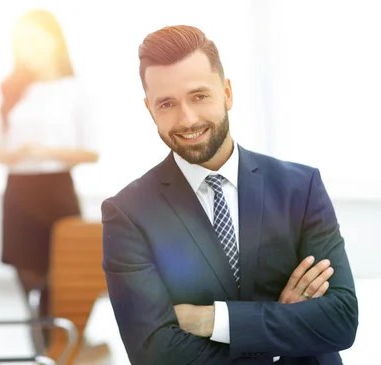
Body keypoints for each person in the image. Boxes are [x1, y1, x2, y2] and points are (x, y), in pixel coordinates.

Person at [101, 25, 358, 365]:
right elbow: (155, 353)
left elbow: (340, 320)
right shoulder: (128, 214)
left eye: (199, 96)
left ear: (227, 93)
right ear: (150, 110)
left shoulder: (300, 187)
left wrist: (213, 320)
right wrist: (281, 330)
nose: (187, 119)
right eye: (167, 104)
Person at [0, 9, 99, 352]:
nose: (29, 49)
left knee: (63, 282)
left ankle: (65, 349)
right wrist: (13, 154)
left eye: (35, 40)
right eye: (21, 43)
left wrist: (43, 150)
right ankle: (40, 352)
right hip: (18, 192)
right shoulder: (11, 88)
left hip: (56, 190)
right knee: (28, 284)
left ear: (55, 41)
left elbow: (92, 152)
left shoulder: (76, 89)